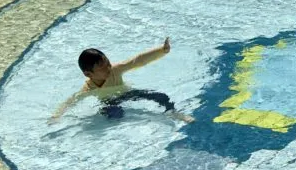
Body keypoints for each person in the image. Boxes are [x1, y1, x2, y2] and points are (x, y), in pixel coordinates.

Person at [49, 37, 193, 124]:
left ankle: (174, 113)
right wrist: (56, 116)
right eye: (102, 67)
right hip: (110, 102)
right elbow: (71, 101)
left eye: (107, 62)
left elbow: (137, 61)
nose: (108, 67)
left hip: (127, 94)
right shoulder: (88, 88)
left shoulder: (115, 70)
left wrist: (161, 50)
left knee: (160, 96)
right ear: (88, 74)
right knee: (116, 115)